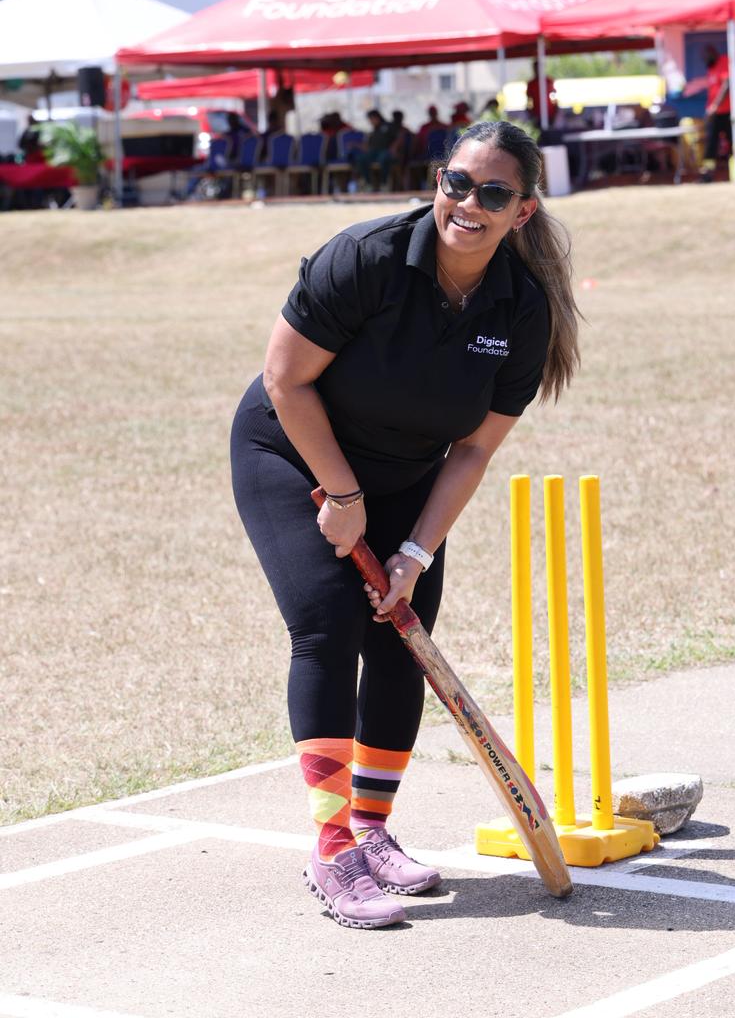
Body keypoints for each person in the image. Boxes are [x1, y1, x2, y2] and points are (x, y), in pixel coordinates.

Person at [230, 120, 580, 930]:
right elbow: (285, 380)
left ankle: (372, 827)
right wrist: (341, 496)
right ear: (438, 179)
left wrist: (417, 551)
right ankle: (330, 850)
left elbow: (473, 449)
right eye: (457, 182)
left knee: (397, 631)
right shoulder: (367, 257)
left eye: (493, 194)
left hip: (407, 475)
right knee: (326, 625)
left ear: (522, 213)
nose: (468, 203)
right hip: (292, 449)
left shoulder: (519, 311)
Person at [700, 44, 731, 182]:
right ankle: (708, 174)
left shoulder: (723, 62)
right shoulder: (711, 69)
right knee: (711, 144)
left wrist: (715, 105)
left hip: (726, 112)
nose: (705, 60)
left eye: (706, 56)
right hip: (715, 114)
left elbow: (726, 85)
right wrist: (709, 110)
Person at [353, 108, 397, 191]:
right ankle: (368, 183)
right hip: (373, 152)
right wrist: (357, 145)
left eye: (371, 119)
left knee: (384, 159)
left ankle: (384, 183)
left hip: (385, 150)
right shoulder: (373, 131)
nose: (371, 121)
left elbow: (398, 138)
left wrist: (393, 148)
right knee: (361, 159)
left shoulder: (389, 126)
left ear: (377, 117)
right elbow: (367, 146)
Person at [526, 61, 558, 127]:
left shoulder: (549, 81)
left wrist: (555, 112)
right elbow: (529, 100)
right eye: (536, 68)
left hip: (550, 114)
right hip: (537, 115)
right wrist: (531, 114)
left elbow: (554, 98)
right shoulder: (531, 83)